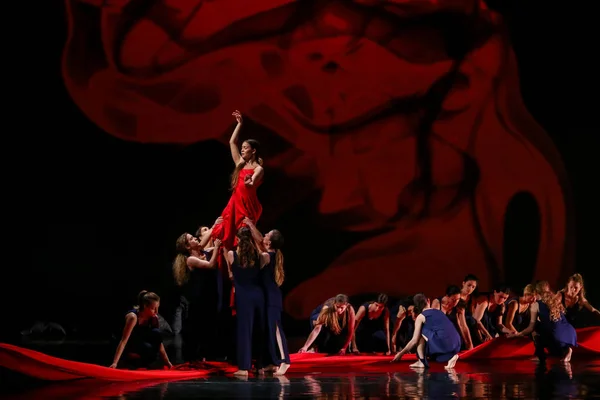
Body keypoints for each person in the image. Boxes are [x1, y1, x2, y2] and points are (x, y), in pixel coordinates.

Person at [212, 110, 264, 250]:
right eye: (242, 148)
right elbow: (232, 142)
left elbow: (252, 182)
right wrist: (239, 124)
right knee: (225, 231)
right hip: (235, 202)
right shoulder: (239, 163)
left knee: (244, 236)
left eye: (245, 148)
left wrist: (249, 182)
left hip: (247, 204)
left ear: (253, 151)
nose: (242, 150)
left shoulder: (258, 168)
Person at [244, 218, 290, 375]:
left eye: (267, 234)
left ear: (270, 242)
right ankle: (272, 362)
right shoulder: (271, 253)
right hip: (268, 297)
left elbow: (259, 243)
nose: (264, 235)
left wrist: (250, 225)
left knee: (276, 329)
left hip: (272, 298)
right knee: (268, 330)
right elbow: (260, 243)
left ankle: (285, 361)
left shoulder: (269, 255)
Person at [226, 226, 270, 376]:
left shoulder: (232, 254)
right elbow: (264, 254)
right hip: (258, 295)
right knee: (260, 330)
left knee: (245, 331)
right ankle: (260, 366)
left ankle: (244, 367)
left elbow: (231, 275)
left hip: (243, 296)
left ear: (237, 239)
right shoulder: (262, 256)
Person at [173, 232, 222, 361]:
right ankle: (192, 357)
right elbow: (211, 265)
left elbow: (207, 247)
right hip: (197, 300)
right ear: (188, 247)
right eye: (191, 239)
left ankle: (207, 354)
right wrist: (216, 247)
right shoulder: (190, 259)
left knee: (209, 327)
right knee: (196, 328)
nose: (195, 238)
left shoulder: (203, 253)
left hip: (209, 296)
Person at [508, 287, 577, 363]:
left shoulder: (535, 305)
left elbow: (531, 328)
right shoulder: (554, 302)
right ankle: (567, 349)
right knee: (554, 336)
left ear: (537, 294)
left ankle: (540, 355)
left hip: (556, 336)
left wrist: (517, 334)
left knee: (537, 327)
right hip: (570, 333)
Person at [392, 293, 460, 369]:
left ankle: (422, 361)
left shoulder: (421, 317)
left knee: (421, 331)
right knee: (430, 333)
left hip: (445, 344)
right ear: (428, 301)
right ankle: (449, 355)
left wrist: (400, 354)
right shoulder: (439, 311)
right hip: (457, 344)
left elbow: (414, 340)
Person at [110, 291, 172, 369]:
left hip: (138, 343)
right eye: (153, 308)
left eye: (157, 308)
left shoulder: (153, 318)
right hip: (123, 344)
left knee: (156, 334)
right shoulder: (133, 317)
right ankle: (128, 358)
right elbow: (123, 340)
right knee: (146, 347)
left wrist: (167, 362)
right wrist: (115, 363)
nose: (156, 312)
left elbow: (158, 342)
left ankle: (138, 361)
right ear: (145, 306)